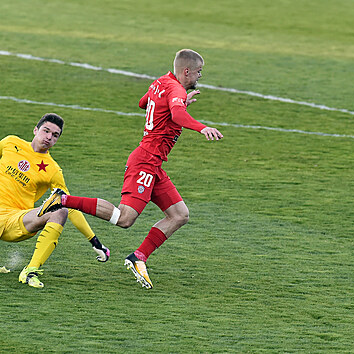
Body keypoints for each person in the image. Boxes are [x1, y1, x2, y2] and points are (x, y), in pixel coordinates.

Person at [38, 49, 223, 289]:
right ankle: (63, 200)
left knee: (179, 215)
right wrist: (201, 126)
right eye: (199, 72)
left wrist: (174, 103)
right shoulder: (176, 89)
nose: (200, 77)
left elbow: (143, 103)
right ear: (186, 71)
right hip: (145, 161)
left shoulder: (161, 82)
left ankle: (138, 257)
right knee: (125, 218)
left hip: (154, 164)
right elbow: (176, 115)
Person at [0, 113, 110, 288]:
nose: (49, 137)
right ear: (35, 130)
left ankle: (31, 270)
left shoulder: (53, 170)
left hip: (17, 219)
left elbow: (70, 205)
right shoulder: (11, 143)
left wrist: (94, 240)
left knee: (60, 209)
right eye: (46, 131)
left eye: (55, 135)